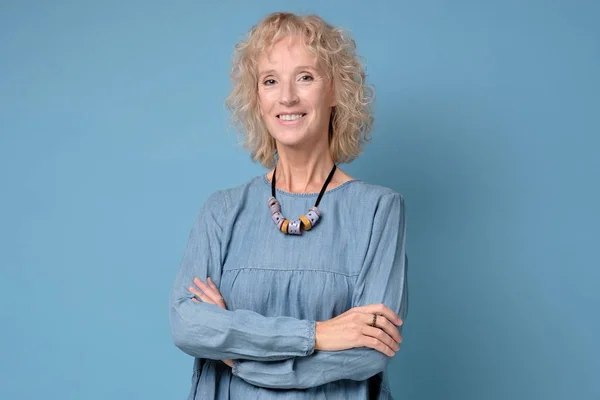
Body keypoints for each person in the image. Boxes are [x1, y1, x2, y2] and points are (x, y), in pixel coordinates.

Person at [169, 11, 408, 400]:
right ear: (257, 99)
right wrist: (318, 334)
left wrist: (235, 353)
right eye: (270, 81)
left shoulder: (378, 210)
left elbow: (368, 352)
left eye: (305, 77)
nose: (287, 97)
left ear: (335, 91)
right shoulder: (222, 210)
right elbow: (187, 324)